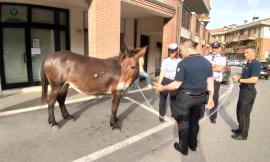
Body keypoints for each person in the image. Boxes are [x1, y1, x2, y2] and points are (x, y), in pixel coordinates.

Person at [154, 40, 214, 155]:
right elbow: (210, 83)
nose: (180, 53)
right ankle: (193, 144)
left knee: (184, 123)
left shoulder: (183, 63)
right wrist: (211, 98)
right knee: (195, 122)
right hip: (201, 98)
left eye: (181, 51)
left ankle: (183, 147)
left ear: (187, 49)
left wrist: (162, 88)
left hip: (186, 98)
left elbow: (176, 84)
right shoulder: (206, 62)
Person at [231, 47, 261, 140]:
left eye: (247, 52)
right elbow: (246, 76)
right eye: (245, 52)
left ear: (253, 53)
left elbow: (254, 79)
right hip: (244, 90)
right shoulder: (248, 63)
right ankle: (240, 129)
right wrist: (238, 76)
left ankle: (243, 134)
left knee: (243, 113)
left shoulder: (256, 64)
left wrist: (240, 80)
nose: (245, 54)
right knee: (239, 111)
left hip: (248, 91)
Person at [158, 43, 182, 122]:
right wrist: (159, 83)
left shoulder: (180, 61)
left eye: (172, 52)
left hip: (174, 81)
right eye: (170, 52)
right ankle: (161, 114)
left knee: (173, 99)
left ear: (176, 52)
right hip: (165, 80)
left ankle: (174, 114)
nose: (171, 53)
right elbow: (162, 72)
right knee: (162, 99)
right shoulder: (165, 60)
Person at [204, 42, 226, 124]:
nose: (214, 49)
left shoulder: (223, 58)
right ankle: (199, 113)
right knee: (202, 97)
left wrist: (210, 67)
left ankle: (213, 116)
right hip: (205, 80)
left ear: (219, 49)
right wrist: (214, 66)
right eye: (213, 47)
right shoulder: (206, 57)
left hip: (215, 81)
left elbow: (220, 68)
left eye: (216, 48)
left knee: (214, 98)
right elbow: (203, 67)